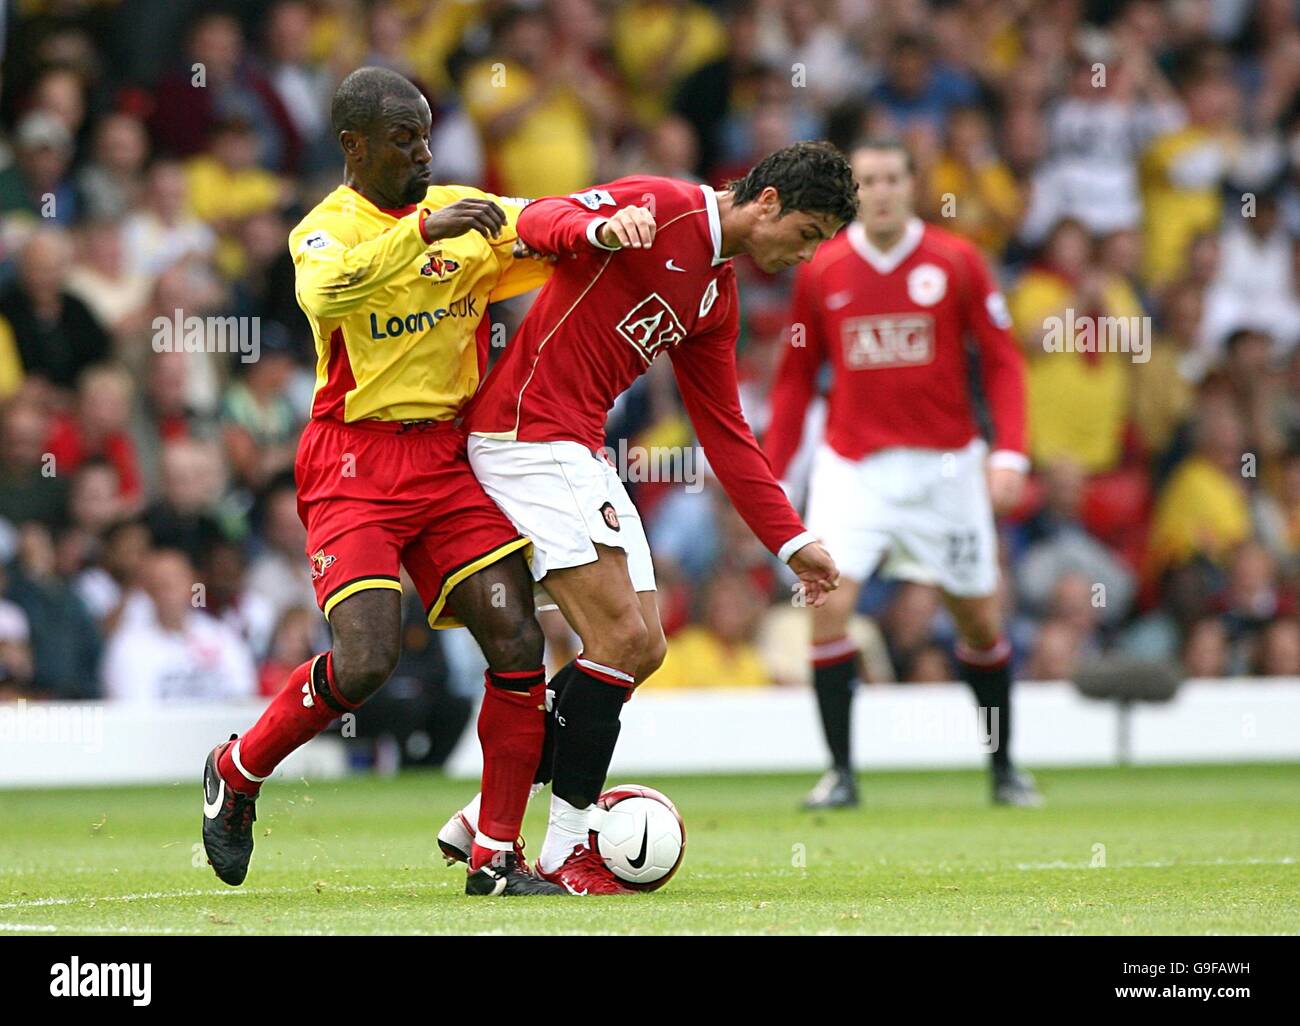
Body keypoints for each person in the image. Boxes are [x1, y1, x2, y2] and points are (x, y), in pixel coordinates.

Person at [438, 141, 854, 894]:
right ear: (768, 204)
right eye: (808, 234)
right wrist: (595, 231)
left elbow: (726, 431)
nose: (806, 256)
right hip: (524, 432)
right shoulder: (663, 208)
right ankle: (565, 852)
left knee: (646, 645)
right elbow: (536, 217)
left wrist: (791, 540)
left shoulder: (716, 299)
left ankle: (479, 816)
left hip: (575, 446)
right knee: (618, 636)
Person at [201, 67, 566, 898]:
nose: (424, 152)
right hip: (353, 462)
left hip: (444, 460)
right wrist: (424, 234)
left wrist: (633, 217)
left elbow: (546, 226)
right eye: (405, 140)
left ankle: (496, 858)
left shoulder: (466, 212)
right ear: (352, 146)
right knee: (365, 661)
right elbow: (325, 292)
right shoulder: (323, 232)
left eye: (428, 135)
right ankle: (237, 768)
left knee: (515, 637)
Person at [763, 139, 1042, 809]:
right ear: (854, 191)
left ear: (913, 184)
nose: (881, 190)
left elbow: (1003, 361)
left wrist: (1009, 454)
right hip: (853, 465)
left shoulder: (957, 261)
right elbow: (796, 379)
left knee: (977, 621)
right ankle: (840, 775)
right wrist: (771, 473)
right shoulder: (822, 268)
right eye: (869, 181)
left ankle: (1004, 769)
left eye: (892, 177)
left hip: (947, 467)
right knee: (826, 607)